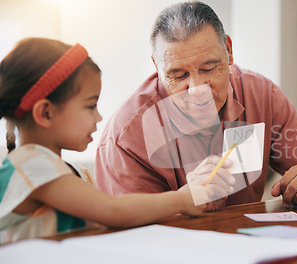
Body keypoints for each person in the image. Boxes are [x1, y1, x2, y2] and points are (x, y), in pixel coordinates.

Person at [95, 1, 297, 209]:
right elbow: (132, 241)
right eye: (178, 75)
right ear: (156, 67)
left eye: (209, 68)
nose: (197, 90)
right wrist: (184, 201)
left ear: (228, 50)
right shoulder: (126, 138)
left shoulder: (260, 94)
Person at [0, 38, 231, 244]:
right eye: (91, 106)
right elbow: (114, 211)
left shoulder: (67, 171)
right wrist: (182, 199)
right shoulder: (29, 165)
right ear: (45, 113)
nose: (99, 117)